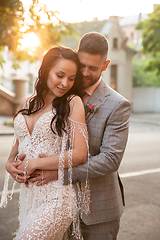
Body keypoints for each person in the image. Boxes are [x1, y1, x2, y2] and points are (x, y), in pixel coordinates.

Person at [5, 32, 131, 239]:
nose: (85, 72)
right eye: (82, 65)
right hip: (46, 197)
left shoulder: (117, 104)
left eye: (93, 68)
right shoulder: (59, 92)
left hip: (97, 210)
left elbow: (110, 160)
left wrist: (58, 174)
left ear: (105, 65)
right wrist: (12, 163)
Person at [0, 46, 90, 240]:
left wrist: (35, 163)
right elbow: (19, 143)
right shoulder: (26, 102)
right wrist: (9, 164)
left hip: (57, 197)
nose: (65, 83)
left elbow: (80, 153)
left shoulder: (72, 102)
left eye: (71, 78)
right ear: (46, 70)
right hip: (30, 197)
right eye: (60, 75)